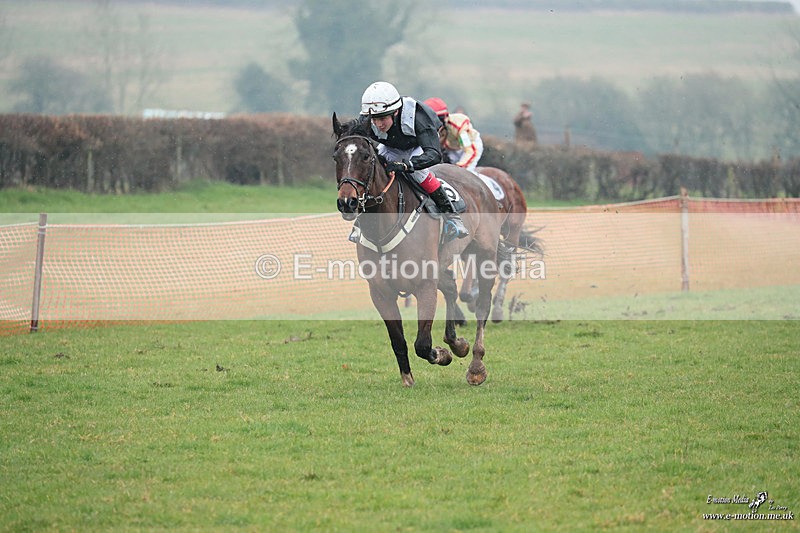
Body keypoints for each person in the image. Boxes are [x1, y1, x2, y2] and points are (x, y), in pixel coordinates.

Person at [357, 81, 468, 239]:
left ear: (395, 112)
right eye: (373, 119)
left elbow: (434, 154)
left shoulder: (417, 117)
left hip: (417, 146)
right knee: (374, 169)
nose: (378, 124)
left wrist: (408, 165)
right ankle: (360, 222)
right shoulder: (367, 119)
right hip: (390, 146)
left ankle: (453, 217)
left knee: (419, 175)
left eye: (382, 118)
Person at [423, 97, 484, 174]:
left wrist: (459, 168)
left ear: (444, 118)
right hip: (451, 149)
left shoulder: (458, 125)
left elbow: (469, 151)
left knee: (462, 174)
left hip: (469, 148)